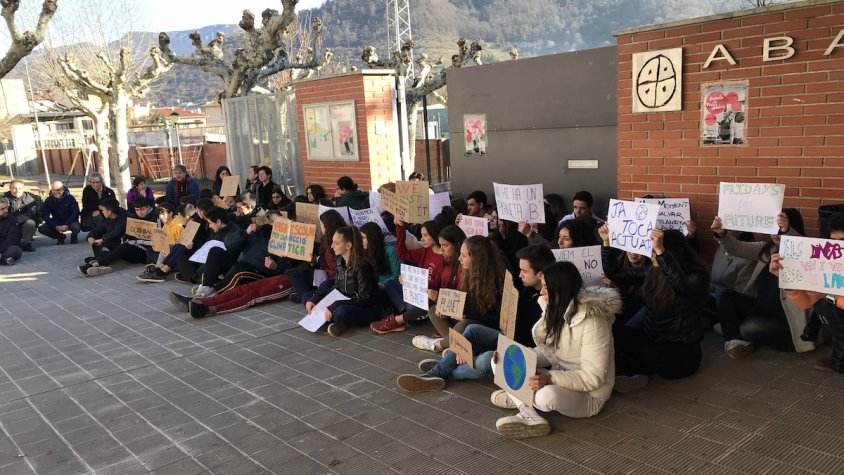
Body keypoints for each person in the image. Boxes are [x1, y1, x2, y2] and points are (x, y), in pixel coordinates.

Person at [396, 245, 556, 391]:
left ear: (540, 273)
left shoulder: (552, 299)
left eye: (525, 271)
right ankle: (440, 370)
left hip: (525, 351)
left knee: (485, 359)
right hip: (506, 338)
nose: (520, 274)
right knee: (471, 329)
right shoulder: (526, 289)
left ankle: (443, 372)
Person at [611, 229, 709, 391]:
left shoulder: (696, 275)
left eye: (654, 251)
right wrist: (607, 243)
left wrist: (661, 252)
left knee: (631, 357)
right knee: (615, 334)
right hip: (654, 338)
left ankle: (637, 375)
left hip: (681, 355)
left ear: (672, 252)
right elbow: (616, 273)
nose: (651, 256)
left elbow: (679, 285)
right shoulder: (655, 270)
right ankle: (635, 373)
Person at [712, 209, 814, 358]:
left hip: (786, 320)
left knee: (749, 327)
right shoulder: (766, 249)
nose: (776, 233)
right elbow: (736, 248)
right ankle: (733, 340)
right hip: (761, 308)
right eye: (773, 228)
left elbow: (799, 243)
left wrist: (787, 232)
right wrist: (721, 233)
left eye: (781, 229)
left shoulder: (806, 253)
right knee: (724, 294)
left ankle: (733, 328)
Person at [770, 213, 844, 372]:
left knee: (828, 303)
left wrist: (830, 296)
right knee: (824, 304)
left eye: (843, 242)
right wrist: (788, 280)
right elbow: (806, 303)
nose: (838, 248)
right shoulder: (827, 265)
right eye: (833, 242)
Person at [413, 235, 505, 352]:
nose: (459, 259)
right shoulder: (469, 273)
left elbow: (496, 319)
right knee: (433, 311)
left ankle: (438, 345)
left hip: (485, 328)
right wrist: (447, 307)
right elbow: (467, 302)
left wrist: (466, 315)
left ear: (477, 258)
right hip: (468, 319)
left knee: (464, 324)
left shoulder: (497, 281)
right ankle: (456, 347)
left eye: (464, 255)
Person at [372, 223, 462, 334]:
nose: (422, 239)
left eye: (425, 235)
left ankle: (400, 319)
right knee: (390, 284)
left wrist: (434, 294)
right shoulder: (428, 252)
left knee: (428, 305)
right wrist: (410, 281)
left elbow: (450, 292)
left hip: (437, 301)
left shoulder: (454, 264)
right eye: (441, 245)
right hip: (424, 295)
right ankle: (407, 315)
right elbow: (401, 254)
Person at [306, 225, 381, 336]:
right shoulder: (340, 261)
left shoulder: (362, 266)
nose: (332, 246)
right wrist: (316, 298)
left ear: (348, 245)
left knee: (341, 312)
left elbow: (365, 298)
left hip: (367, 308)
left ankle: (338, 322)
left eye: (336, 243)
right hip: (346, 301)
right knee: (308, 300)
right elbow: (337, 287)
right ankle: (335, 322)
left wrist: (336, 304)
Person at [78, 198, 159, 276]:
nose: (140, 212)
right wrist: (91, 236)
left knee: (126, 245)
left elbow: (157, 240)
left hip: (146, 252)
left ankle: (98, 263)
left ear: (148, 207)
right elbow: (127, 234)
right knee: (107, 243)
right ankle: (103, 265)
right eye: (137, 210)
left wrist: (133, 242)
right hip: (131, 247)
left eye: (142, 209)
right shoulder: (133, 217)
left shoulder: (156, 218)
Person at [287, 209, 346, 303]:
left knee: (325, 286)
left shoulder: (342, 240)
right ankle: (308, 297)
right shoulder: (324, 240)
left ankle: (308, 299)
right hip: (323, 275)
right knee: (294, 275)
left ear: (329, 226)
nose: (320, 227)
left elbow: (341, 268)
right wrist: (314, 261)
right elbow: (322, 263)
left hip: (335, 280)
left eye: (322, 225)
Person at [190, 208, 248, 298]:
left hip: (235, 266)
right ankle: (206, 284)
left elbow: (232, 251)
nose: (209, 226)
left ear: (218, 222)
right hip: (222, 264)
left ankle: (207, 286)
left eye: (211, 223)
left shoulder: (235, 231)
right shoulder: (218, 231)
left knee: (215, 251)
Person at [39, 181, 81, 245]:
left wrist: (67, 224)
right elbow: (45, 215)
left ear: (63, 189)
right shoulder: (48, 200)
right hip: (57, 222)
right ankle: (60, 237)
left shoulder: (70, 198)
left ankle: (74, 236)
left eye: (58, 190)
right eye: (53, 190)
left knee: (76, 227)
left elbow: (75, 213)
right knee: (42, 228)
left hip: (70, 221)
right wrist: (55, 226)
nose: (56, 192)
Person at [3, 179, 38, 252]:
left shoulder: (30, 200)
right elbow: (3, 212)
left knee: (30, 223)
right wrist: (11, 221)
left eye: (19, 188)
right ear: (10, 189)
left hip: (23, 223)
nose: (17, 190)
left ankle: (25, 244)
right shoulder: (4, 199)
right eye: (14, 188)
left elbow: (31, 214)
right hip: (9, 223)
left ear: (23, 189)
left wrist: (16, 220)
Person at [0, 198, 22, 265]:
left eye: (6, 208)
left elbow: (11, 239)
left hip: (6, 247)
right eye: (2, 209)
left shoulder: (12, 220)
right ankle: (4, 261)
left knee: (15, 250)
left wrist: (0, 251)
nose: (6, 210)